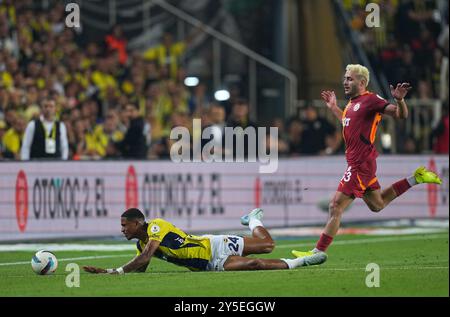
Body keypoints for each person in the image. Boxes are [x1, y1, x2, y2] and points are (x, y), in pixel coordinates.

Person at [292, 64, 443, 265]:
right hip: (362, 164)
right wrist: (333, 108)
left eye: (350, 79)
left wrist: (399, 100)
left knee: (335, 205)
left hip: (360, 164)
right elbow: (347, 122)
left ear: (362, 83)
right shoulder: (352, 104)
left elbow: (400, 115)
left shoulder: (371, 100)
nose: (345, 82)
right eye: (345, 78)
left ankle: (316, 252)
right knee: (377, 204)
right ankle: (416, 178)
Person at [83, 208, 313, 274]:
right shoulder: (141, 244)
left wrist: (113, 271)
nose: (122, 229)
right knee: (254, 265)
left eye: (125, 225)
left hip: (214, 245)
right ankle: (304, 262)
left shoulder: (156, 226)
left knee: (267, 246)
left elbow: (144, 258)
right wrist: (107, 274)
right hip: (210, 265)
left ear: (137, 223)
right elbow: (141, 267)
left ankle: (252, 220)